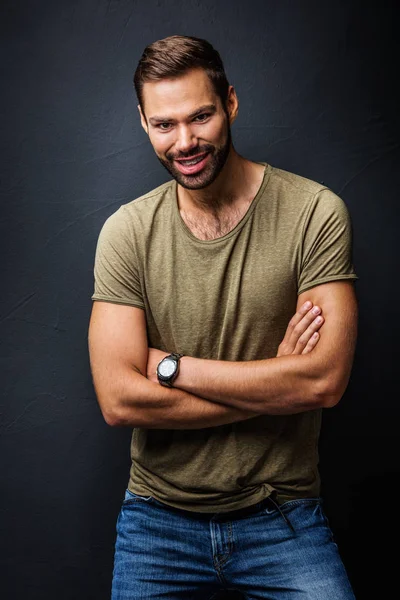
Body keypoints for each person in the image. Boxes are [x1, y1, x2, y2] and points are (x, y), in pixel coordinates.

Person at [88, 35, 358, 600]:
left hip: (282, 515)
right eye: (164, 124)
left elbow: (324, 382)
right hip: (156, 522)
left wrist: (170, 370)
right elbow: (118, 400)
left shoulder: (314, 212)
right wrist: (275, 382)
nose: (184, 142)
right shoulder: (126, 233)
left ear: (230, 103)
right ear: (143, 121)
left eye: (201, 117)